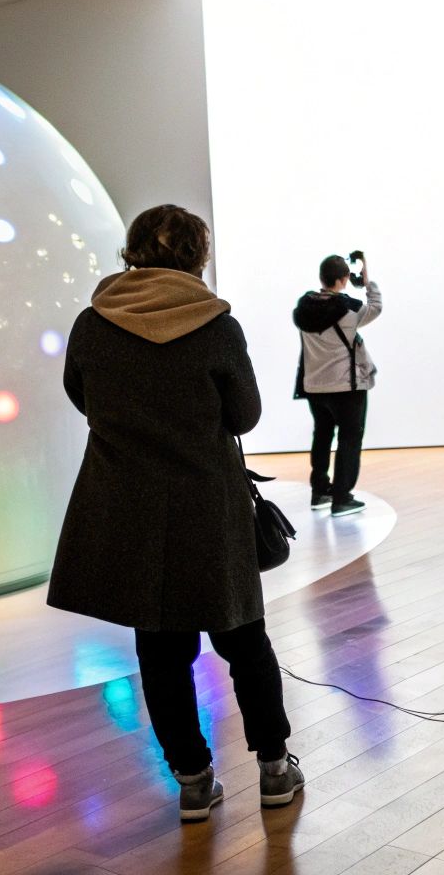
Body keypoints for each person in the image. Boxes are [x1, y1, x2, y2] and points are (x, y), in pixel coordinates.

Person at [48, 204, 305, 822]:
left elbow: (81, 396)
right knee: (244, 641)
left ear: (132, 252)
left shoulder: (92, 322)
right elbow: (244, 415)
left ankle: (192, 780)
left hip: (127, 504)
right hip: (207, 504)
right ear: (197, 256)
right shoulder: (216, 325)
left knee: (161, 652)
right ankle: (275, 769)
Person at [293, 253, 383, 516]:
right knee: (349, 438)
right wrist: (367, 281)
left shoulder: (304, 308)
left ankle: (320, 491)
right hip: (346, 386)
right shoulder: (349, 309)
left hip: (314, 387)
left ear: (322, 278)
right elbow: (375, 307)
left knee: (322, 435)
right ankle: (342, 498)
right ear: (344, 279)